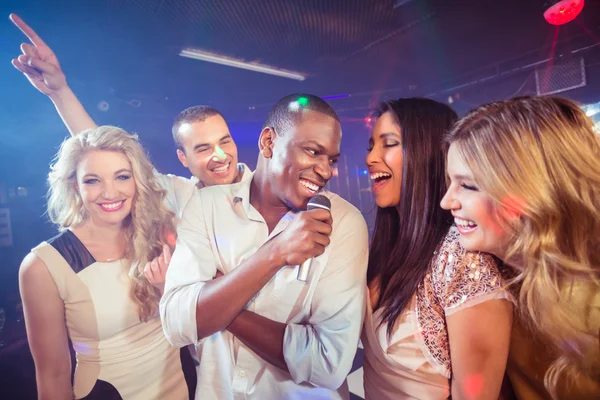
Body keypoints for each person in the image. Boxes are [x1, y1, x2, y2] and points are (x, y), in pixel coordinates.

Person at [160, 93, 368, 399]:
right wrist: (274, 255)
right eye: (313, 152)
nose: (325, 170)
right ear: (268, 142)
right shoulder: (207, 206)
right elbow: (176, 324)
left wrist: (217, 298)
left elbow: (328, 363)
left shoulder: (344, 222)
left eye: (332, 159)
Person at [9, 13, 250, 220]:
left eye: (224, 141)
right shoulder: (181, 194)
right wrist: (60, 92)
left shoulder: (266, 185)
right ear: (183, 158)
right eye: (202, 149)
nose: (220, 155)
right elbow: (100, 147)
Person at [19, 126, 196, 399]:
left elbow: (192, 322)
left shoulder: (159, 236)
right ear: (75, 186)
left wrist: (167, 291)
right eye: (93, 181)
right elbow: (52, 375)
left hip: (184, 387)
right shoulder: (43, 266)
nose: (110, 192)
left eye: (122, 177)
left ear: (138, 180)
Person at [441, 95, 600, 399]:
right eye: (450, 182)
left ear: (533, 191)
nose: (446, 201)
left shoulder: (590, 310)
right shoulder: (498, 276)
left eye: (468, 185)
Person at [363, 98, 514, 399]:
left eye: (388, 144)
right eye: (371, 146)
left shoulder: (462, 259)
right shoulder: (386, 245)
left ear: (427, 154)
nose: (371, 158)